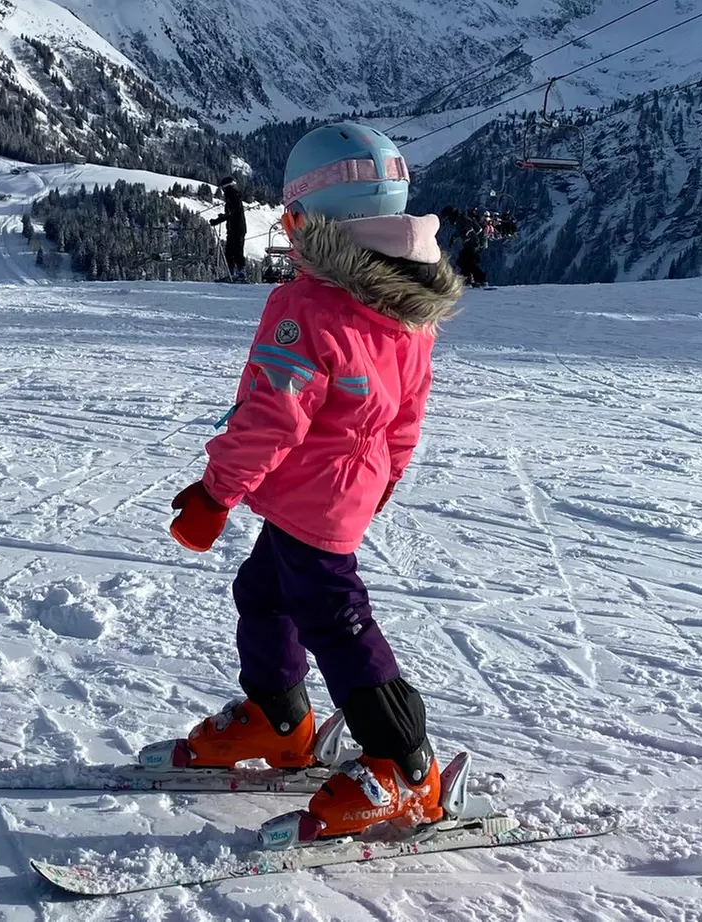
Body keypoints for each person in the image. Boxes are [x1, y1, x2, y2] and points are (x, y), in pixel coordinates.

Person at [167, 122, 463, 840]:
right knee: (263, 592)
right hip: (334, 493)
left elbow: (273, 416)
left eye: (291, 216)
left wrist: (215, 495)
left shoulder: (307, 307)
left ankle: (405, 764)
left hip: (311, 498)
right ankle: (280, 718)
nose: (288, 231)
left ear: (314, 217)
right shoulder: (409, 304)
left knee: (335, 618)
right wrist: (376, 485)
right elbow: (406, 418)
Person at [211, 176, 249, 282]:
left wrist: (218, 220)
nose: (222, 190)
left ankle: (240, 274)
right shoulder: (231, 197)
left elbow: (231, 214)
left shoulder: (234, 197)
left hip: (237, 229)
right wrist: (222, 217)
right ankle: (232, 273)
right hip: (233, 229)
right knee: (230, 252)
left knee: (237, 252)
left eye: (223, 187)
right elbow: (230, 214)